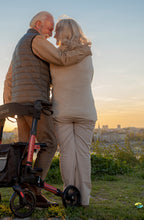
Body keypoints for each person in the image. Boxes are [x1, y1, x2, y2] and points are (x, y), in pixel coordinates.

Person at [3, 11, 91, 208]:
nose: (51, 34)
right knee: (49, 143)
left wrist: (8, 102)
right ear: (38, 24)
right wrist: (85, 51)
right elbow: (60, 58)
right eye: (50, 29)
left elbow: (9, 77)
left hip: (19, 104)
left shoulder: (20, 45)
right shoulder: (36, 40)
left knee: (25, 149)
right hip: (35, 104)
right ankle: (34, 189)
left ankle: (24, 191)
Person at [50, 18, 97, 207]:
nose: (54, 35)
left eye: (56, 31)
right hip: (86, 110)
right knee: (83, 154)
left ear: (63, 33)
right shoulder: (87, 54)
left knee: (67, 154)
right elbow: (89, 79)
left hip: (62, 111)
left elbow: (50, 81)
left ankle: (70, 196)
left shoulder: (55, 56)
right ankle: (84, 199)